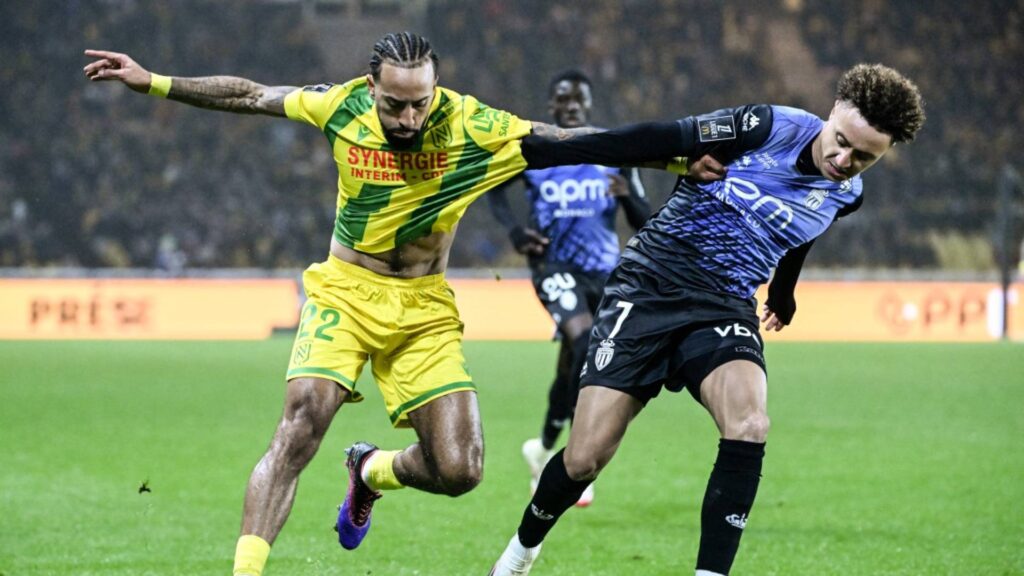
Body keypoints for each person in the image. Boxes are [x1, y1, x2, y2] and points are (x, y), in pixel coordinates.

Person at [83, 32, 722, 576]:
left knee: (460, 469)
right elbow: (251, 94)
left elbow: (571, 139)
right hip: (345, 292)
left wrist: (671, 156)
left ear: (435, 89)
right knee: (301, 424)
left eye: (419, 104)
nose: (408, 119)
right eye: (394, 105)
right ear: (370, 86)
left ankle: (371, 472)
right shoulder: (340, 105)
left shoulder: (473, 125)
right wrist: (156, 82)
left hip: (422, 308)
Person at [489, 63, 925, 575]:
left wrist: (784, 289)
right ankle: (520, 555)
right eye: (841, 142)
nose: (843, 160)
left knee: (750, 423)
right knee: (585, 459)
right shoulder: (765, 127)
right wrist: (546, 149)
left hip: (722, 303)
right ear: (831, 112)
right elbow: (656, 138)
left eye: (863, 158)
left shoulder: (847, 194)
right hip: (649, 286)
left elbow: (806, 224)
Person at [488, 69, 650, 507]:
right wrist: (516, 232)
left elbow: (644, 219)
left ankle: (541, 447)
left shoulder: (614, 152)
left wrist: (627, 198)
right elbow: (493, 191)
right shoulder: (538, 151)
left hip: (604, 274)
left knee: (569, 365)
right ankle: (574, 460)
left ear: (589, 106)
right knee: (583, 348)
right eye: (563, 98)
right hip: (553, 267)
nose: (572, 105)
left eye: (579, 99)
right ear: (551, 106)